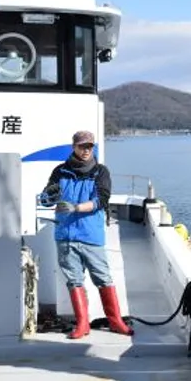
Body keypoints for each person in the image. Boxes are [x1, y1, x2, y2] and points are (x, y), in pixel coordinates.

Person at [40, 130, 133, 339]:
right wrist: (48, 196)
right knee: (74, 280)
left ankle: (115, 321)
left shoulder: (100, 172)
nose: (86, 150)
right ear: (74, 147)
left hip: (91, 235)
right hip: (64, 236)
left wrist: (76, 208)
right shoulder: (60, 171)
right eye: (82, 146)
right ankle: (82, 323)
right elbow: (47, 197)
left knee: (103, 277)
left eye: (90, 146)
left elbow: (102, 199)